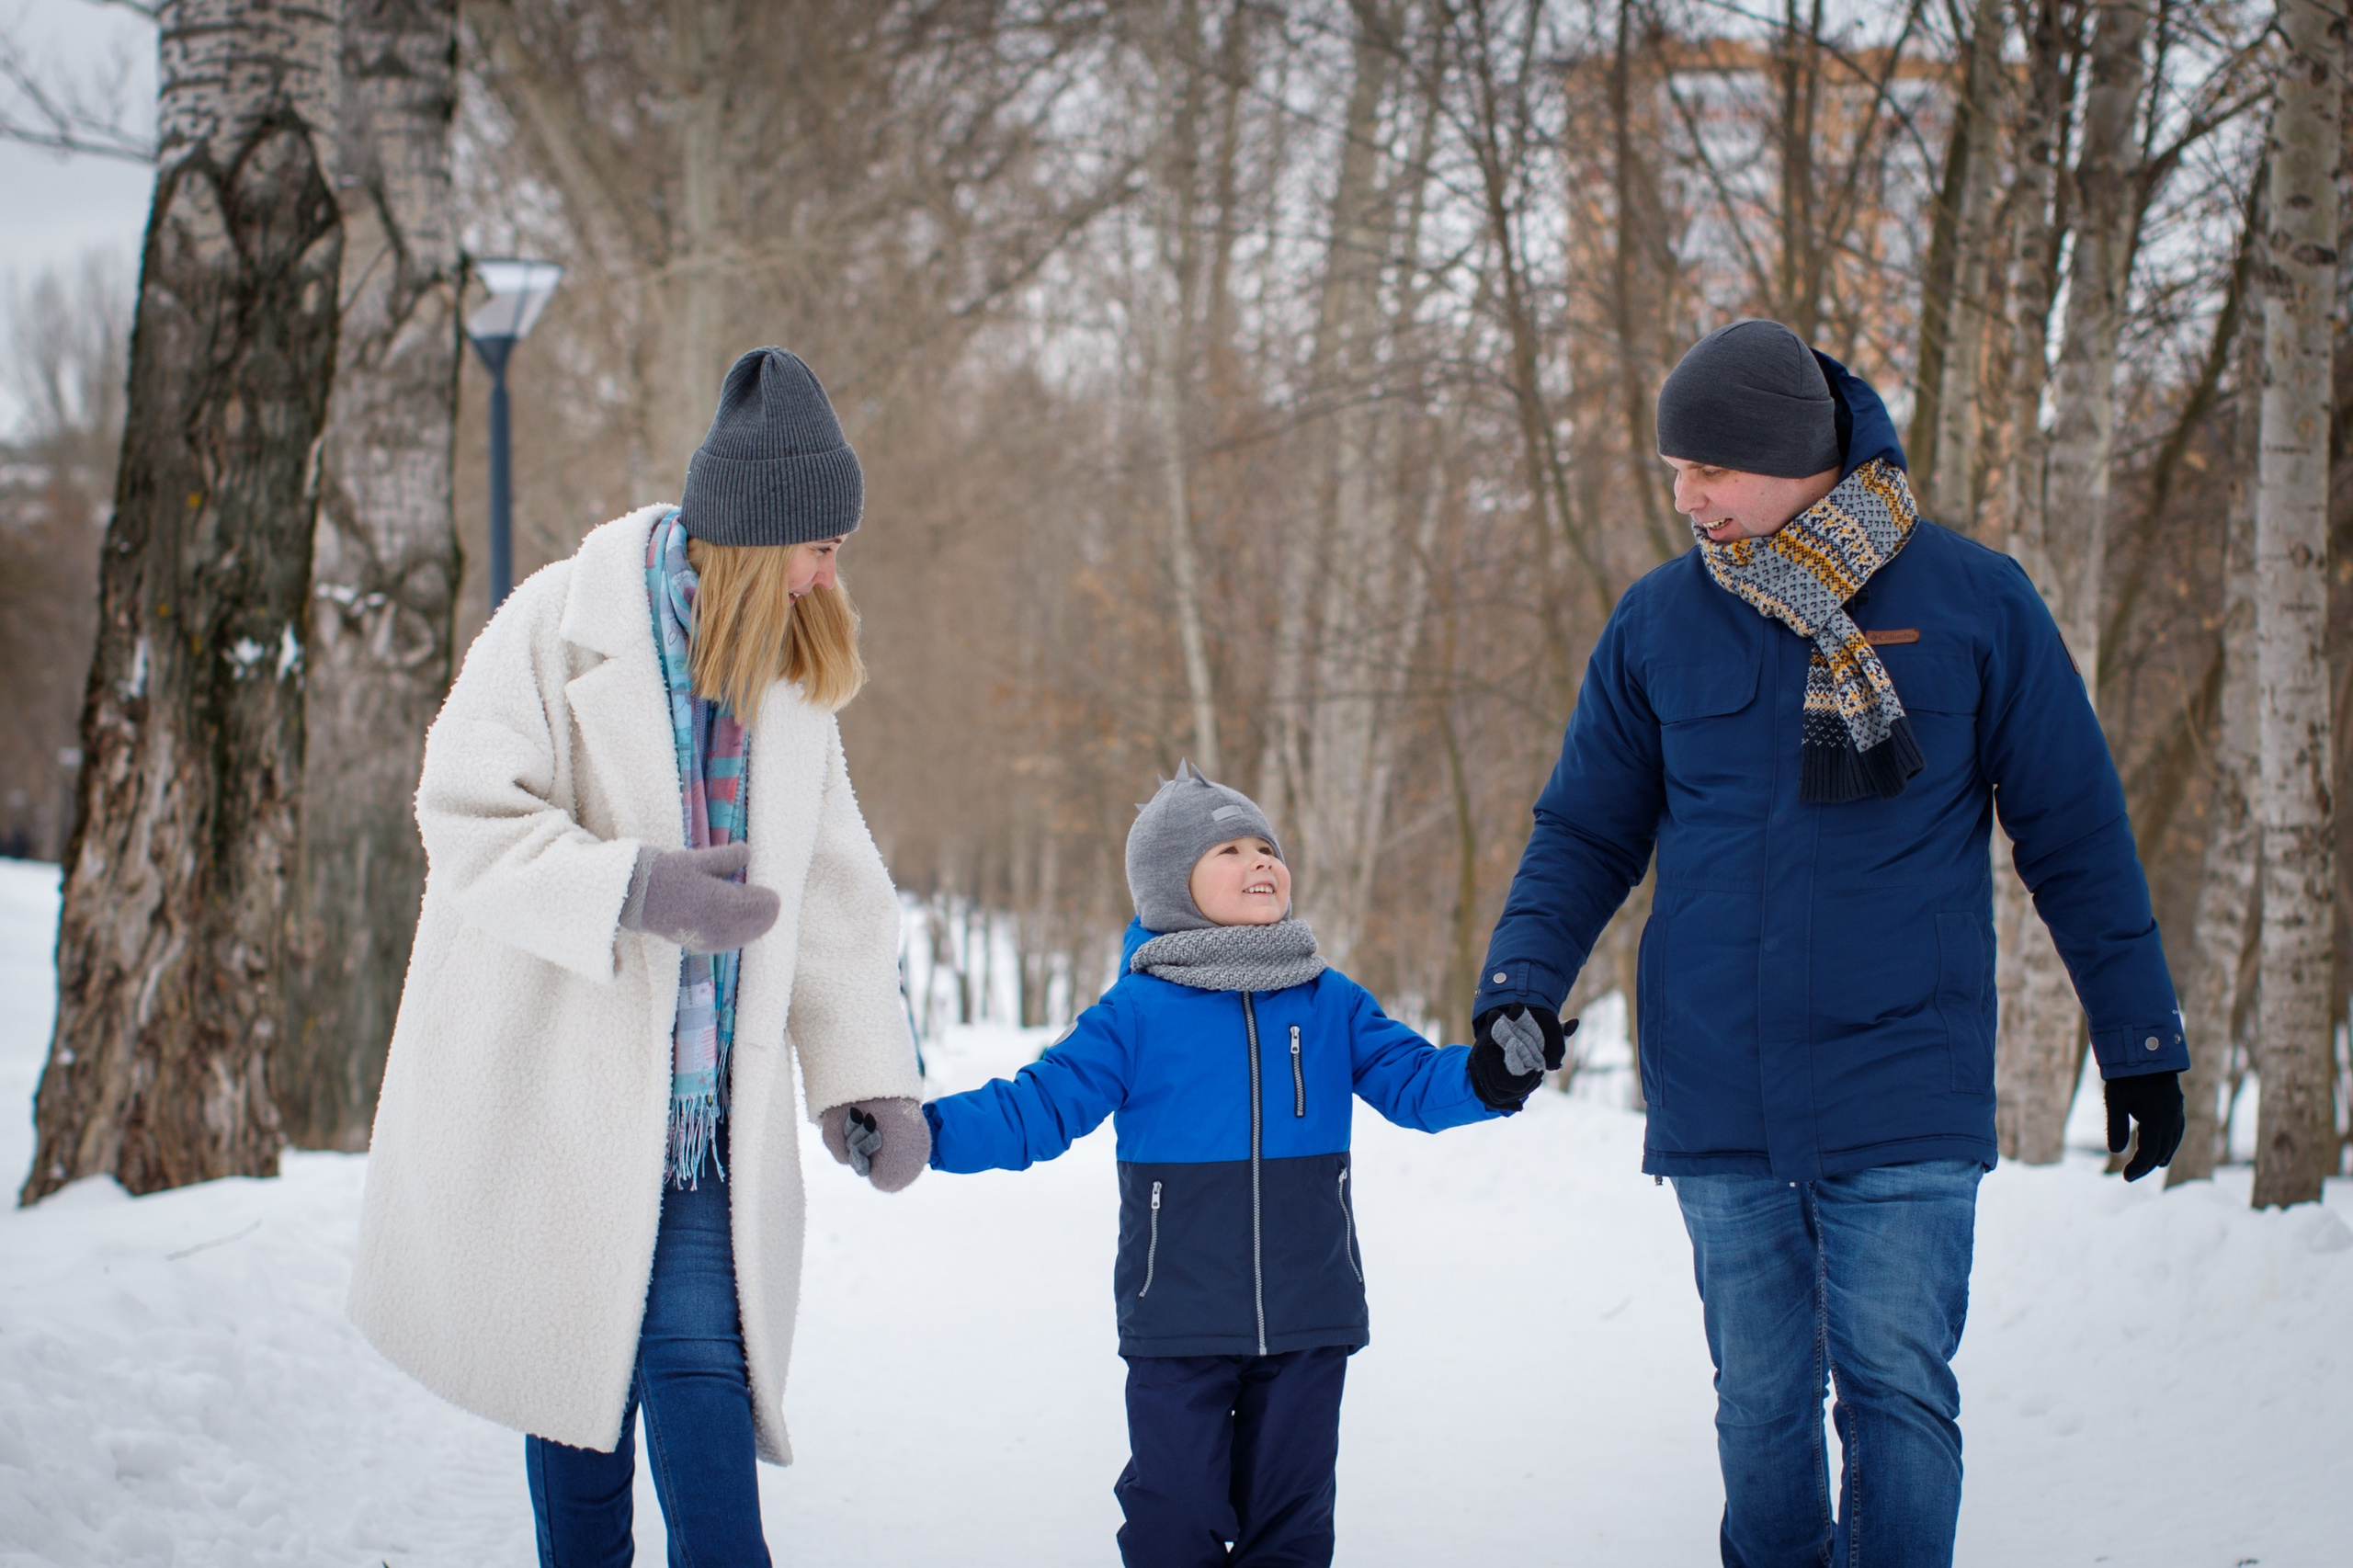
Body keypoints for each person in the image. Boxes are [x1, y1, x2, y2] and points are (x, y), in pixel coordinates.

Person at [1472, 319, 2188, 1568]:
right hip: (1720, 1076)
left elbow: (2073, 833)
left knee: (1899, 1394)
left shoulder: (1976, 604)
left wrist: (2136, 1037)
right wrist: (1519, 985)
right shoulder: (1659, 622)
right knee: (1756, 1400)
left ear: (1798, 455)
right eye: (1674, 471)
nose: (1688, 497)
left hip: (1904, 1069)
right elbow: (1587, 828)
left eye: (1711, 469)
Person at [349, 347, 930, 1567]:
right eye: (818, 546)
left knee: (705, 1422)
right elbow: (464, 812)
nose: (833, 571)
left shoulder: (792, 677)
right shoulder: (555, 630)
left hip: (706, 1136)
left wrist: (866, 1072)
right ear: (757, 539)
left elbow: (830, 896)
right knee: (580, 1427)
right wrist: (632, 887)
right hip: (567, 1110)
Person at [924, 764, 1561, 1567]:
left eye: (1267, 847)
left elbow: (1415, 1082)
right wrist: (926, 1132)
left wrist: (1489, 1076)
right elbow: (1036, 1108)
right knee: (1174, 1513)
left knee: (1290, 1527)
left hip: (1307, 1312)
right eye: (1230, 849)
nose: (1261, 861)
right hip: (1178, 1318)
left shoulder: (1331, 1000)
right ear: (1171, 884)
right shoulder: (1136, 1013)